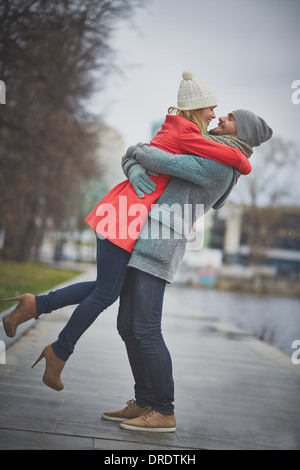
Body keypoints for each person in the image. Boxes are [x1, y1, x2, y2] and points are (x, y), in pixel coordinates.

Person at [2, 71, 271, 411]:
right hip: (131, 223)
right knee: (115, 303)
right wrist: (133, 164)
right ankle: (139, 398)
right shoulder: (203, 145)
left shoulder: (217, 163)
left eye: (229, 117)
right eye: (216, 110)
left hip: (151, 238)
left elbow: (159, 158)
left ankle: (158, 406)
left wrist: (138, 155)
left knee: (132, 317)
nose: (218, 116)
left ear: (241, 132)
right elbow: (148, 153)